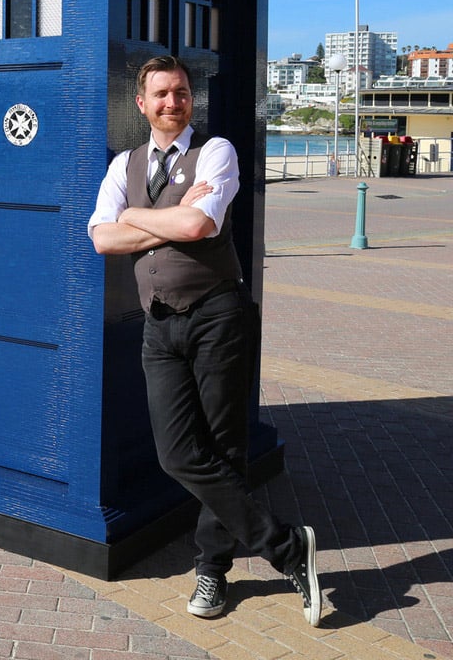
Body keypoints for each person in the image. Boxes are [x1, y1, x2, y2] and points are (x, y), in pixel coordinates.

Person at [88, 55, 322, 626]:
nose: (174, 102)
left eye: (183, 92)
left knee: (224, 447)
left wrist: (135, 218)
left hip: (219, 315)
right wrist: (164, 215)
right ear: (141, 103)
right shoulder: (125, 162)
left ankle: (212, 570)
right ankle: (288, 547)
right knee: (176, 454)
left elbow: (199, 227)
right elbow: (100, 237)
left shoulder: (216, 153)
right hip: (159, 322)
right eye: (162, 93)